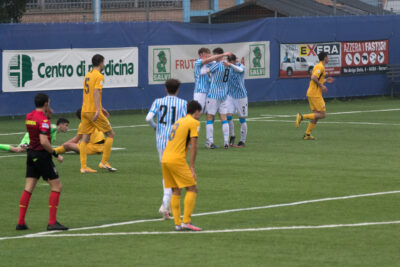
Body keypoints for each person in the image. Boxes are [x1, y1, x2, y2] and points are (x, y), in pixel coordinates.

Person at [16, 93, 68, 231]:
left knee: (29, 187)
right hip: (42, 155)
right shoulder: (43, 121)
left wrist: (48, 115)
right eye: (49, 103)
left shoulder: (29, 117)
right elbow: (44, 142)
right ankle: (52, 222)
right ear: (46, 104)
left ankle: (21, 222)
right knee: (57, 186)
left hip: (31, 154)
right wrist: (55, 153)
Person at [146, 79, 187, 219]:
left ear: (165, 89)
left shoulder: (158, 101)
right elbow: (186, 122)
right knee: (175, 176)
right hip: (175, 143)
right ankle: (165, 205)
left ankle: (166, 207)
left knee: (166, 174)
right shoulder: (182, 103)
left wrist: (155, 126)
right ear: (178, 90)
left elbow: (148, 118)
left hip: (161, 142)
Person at [161, 100, 202, 231]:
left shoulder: (178, 122)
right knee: (192, 188)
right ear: (196, 111)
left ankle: (178, 224)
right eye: (200, 112)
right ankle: (186, 221)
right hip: (177, 159)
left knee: (176, 190)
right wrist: (192, 167)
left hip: (165, 158)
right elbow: (193, 145)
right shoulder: (194, 122)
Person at [79, 54, 116, 173]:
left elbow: (90, 94)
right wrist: (98, 110)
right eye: (104, 63)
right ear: (100, 63)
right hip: (93, 111)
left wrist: (101, 107)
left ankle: (83, 167)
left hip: (84, 110)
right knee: (110, 134)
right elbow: (95, 92)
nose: (104, 65)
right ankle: (104, 162)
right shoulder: (99, 76)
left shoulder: (88, 75)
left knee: (85, 138)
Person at [296, 52, 334, 140]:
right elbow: (313, 77)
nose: (328, 58)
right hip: (315, 94)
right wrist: (322, 86)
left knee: (316, 115)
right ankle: (301, 117)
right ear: (325, 58)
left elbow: (317, 78)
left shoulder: (320, 66)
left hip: (313, 93)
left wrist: (324, 80)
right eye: (328, 57)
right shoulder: (320, 66)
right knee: (322, 114)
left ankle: (307, 134)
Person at [205, 47, 232, 149]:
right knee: (223, 118)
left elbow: (206, 71)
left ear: (217, 55)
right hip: (224, 95)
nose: (213, 57)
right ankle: (226, 141)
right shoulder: (228, 65)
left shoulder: (217, 65)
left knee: (209, 117)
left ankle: (210, 142)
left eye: (214, 55)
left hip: (213, 94)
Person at [0, 117, 69, 153]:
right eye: (66, 125)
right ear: (60, 125)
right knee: (18, 150)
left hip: (33, 139)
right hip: (31, 138)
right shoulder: (53, 128)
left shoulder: (55, 132)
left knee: (21, 150)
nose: (67, 128)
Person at [194, 48, 231, 112]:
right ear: (201, 54)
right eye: (207, 54)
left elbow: (218, 61)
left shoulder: (209, 63)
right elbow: (212, 59)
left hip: (209, 91)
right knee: (197, 111)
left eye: (209, 54)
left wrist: (227, 61)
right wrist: (224, 54)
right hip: (200, 91)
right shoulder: (198, 62)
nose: (209, 55)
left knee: (209, 112)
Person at [224, 54, 248, 147]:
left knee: (242, 119)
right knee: (228, 117)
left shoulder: (240, 66)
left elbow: (240, 70)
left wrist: (229, 65)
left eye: (230, 61)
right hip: (230, 96)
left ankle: (242, 140)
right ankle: (232, 136)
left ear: (234, 61)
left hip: (241, 96)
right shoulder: (227, 67)